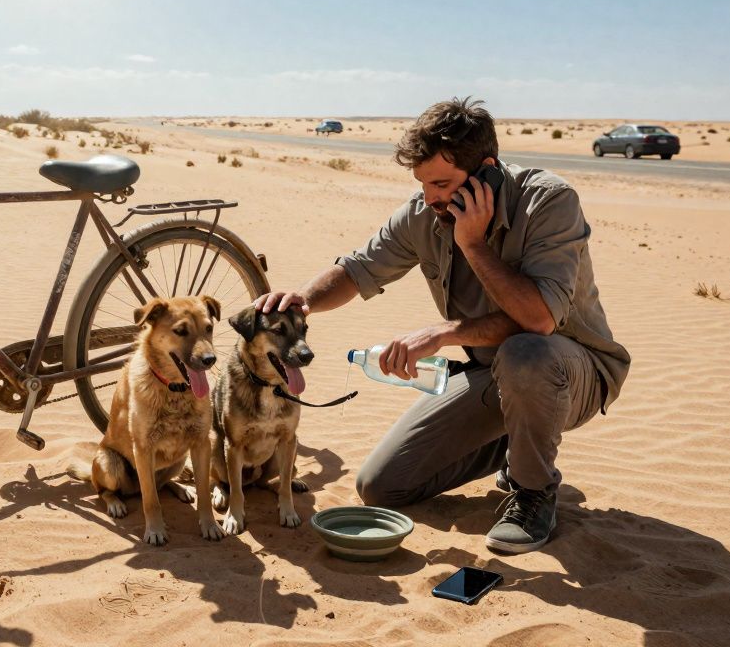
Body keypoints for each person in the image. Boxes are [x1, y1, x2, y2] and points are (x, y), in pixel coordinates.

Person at [254, 97, 629, 554]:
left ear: (486, 172)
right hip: (493, 374)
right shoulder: (426, 212)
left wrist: (471, 248)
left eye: (441, 183)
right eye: (422, 183)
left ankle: (534, 492)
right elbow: (357, 270)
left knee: (526, 353)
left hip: (572, 373)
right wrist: (303, 302)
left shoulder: (549, 201)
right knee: (382, 486)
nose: (430, 197)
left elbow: (539, 320)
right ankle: (517, 440)